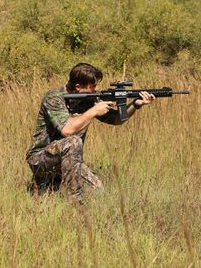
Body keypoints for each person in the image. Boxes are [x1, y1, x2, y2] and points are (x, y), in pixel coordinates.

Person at [26, 63, 155, 204]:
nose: (96, 89)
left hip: (69, 162)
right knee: (73, 141)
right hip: (41, 159)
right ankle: (75, 201)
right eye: (92, 86)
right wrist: (94, 111)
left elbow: (117, 119)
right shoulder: (54, 98)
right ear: (78, 87)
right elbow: (67, 130)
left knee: (98, 192)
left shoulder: (89, 99)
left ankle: (53, 185)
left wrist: (135, 105)